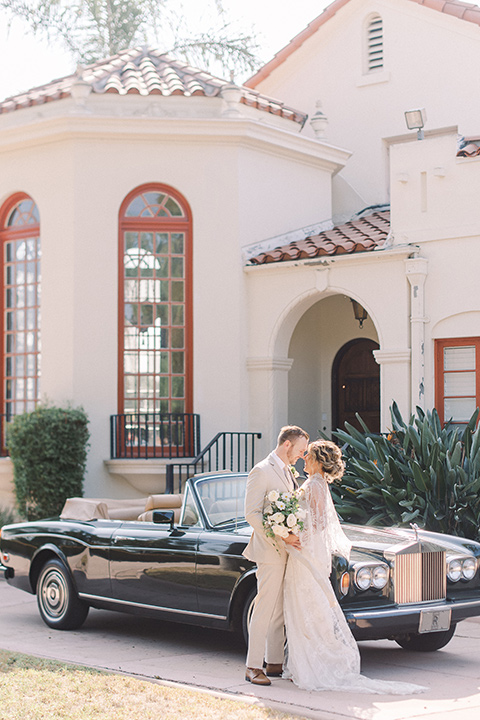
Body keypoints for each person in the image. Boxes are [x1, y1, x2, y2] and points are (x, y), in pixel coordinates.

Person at [282, 439, 426, 694]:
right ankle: (304, 662)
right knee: (308, 606)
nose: (304, 458)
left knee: (308, 605)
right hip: (307, 551)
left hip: (305, 551)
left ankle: (314, 665)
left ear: (317, 460)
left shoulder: (314, 485)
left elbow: (316, 524)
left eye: (308, 455)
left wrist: (294, 535)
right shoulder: (318, 484)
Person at [243, 425, 309, 686]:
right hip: (270, 552)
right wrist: (281, 535)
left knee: (279, 609)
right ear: (287, 445)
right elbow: (252, 514)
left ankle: (274, 663)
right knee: (264, 608)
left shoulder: (288, 471)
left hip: (287, 551)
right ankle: (252, 666)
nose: (302, 456)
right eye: (301, 450)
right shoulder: (261, 471)